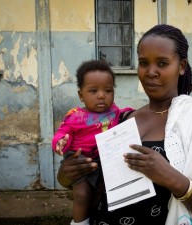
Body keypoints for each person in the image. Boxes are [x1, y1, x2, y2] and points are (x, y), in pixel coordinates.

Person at [57, 24, 192, 225]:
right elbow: (94, 184)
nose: (151, 72)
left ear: (182, 66)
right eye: (144, 63)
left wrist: (172, 178)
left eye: (162, 63)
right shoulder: (121, 120)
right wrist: (66, 175)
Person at [51, 60, 133, 225]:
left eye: (108, 90)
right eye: (93, 91)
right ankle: (79, 223)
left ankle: (93, 219)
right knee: (82, 195)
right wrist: (60, 142)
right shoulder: (76, 116)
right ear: (81, 95)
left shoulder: (114, 111)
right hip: (79, 160)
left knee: (99, 193)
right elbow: (63, 132)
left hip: (102, 160)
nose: (102, 95)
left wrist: (133, 113)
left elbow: (122, 115)